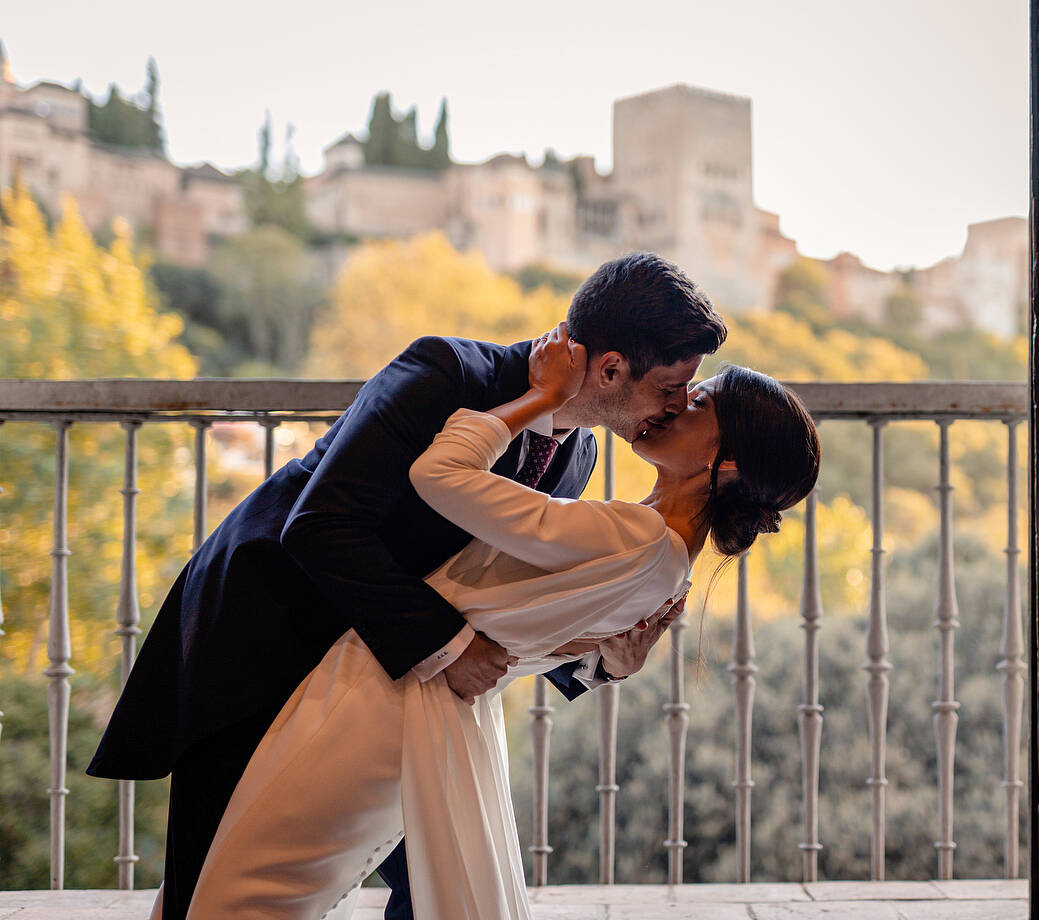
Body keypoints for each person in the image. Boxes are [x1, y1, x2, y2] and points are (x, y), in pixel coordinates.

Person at [86, 253, 728, 920]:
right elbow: (320, 524)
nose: (676, 407)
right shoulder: (444, 374)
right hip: (268, 635)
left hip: (385, 684)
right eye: (670, 388)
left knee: (438, 874)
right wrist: (450, 644)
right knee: (207, 891)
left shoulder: (580, 456)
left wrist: (600, 665)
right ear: (613, 369)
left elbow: (506, 599)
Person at [184, 336, 821, 919]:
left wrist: (539, 398)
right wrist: (605, 661)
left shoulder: (634, 535)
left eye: (698, 399)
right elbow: (537, 624)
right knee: (261, 889)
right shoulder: (664, 560)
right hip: (417, 710)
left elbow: (442, 476)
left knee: (246, 892)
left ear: (729, 463)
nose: (676, 406)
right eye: (675, 389)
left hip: (370, 700)